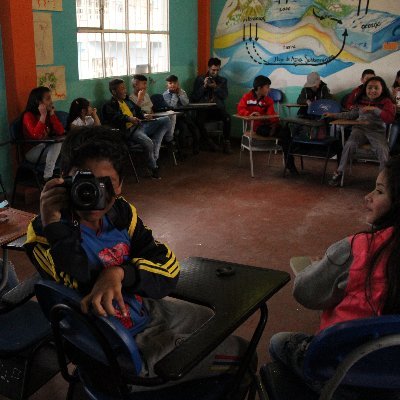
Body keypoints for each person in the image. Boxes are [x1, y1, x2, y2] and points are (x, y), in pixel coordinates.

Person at [24, 126, 249, 390]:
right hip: (118, 348)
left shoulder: (122, 214)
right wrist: (55, 226)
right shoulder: (43, 234)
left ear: (120, 184)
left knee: (212, 322)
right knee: (243, 352)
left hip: (144, 311)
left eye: (106, 184)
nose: (95, 197)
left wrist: (120, 273)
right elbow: (77, 281)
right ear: (64, 179)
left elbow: (167, 266)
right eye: (85, 182)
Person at [269, 156, 400, 397]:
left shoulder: (356, 248)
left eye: (379, 191)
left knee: (278, 341)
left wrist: (321, 266)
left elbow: (306, 293)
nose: (368, 196)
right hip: (392, 378)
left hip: (343, 370)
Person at [326, 76, 396, 186]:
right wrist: (333, 114)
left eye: (376, 88)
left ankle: (383, 180)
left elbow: (389, 118)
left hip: (376, 131)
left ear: (382, 89)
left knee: (383, 150)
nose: (372, 90)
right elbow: (351, 114)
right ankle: (339, 172)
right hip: (360, 129)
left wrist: (375, 109)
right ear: (365, 88)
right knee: (349, 144)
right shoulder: (361, 100)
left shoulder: (386, 101)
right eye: (369, 87)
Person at [102, 78, 163, 179]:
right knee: (148, 143)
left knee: (165, 121)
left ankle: (155, 145)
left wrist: (144, 115)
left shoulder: (127, 101)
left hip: (140, 125)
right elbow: (115, 117)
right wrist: (129, 118)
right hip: (130, 131)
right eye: (122, 88)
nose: (125, 90)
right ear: (114, 91)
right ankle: (153, 167)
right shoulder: (109, 105)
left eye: (125, 87)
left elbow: (137, 110)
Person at [237, 75, 297, 173]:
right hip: (257, 128)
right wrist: (249, 114)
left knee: (286, 131)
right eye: (267, 87)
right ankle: (290, 161)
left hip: (269, 126)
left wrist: (274, 125)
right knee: (285, 137)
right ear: (259, 88)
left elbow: (272, 114)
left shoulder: (268, 100)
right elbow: (240, 109)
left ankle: (290, 164)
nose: (269, 90)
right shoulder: (246, 97)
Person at [22, 86, 65, 181]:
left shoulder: (49, 114)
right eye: (48, 98)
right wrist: (43, 115)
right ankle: (48, 177)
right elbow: (36, 135)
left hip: (46, 149)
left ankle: (63, 175)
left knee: (65, 143)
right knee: (57, 143)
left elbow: (60, 131)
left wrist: (52, 114)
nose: (51, 102)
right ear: (39, 102)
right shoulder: (28, 116)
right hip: (32, 153)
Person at [192, 57, 232, 154]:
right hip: (204, 109)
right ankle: (209, 142)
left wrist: (216, 87)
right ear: (208, 68)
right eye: (213, 70)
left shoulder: (222, 80)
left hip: (217, 109)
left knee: (227, 118)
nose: (215, 72)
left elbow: (224, 96)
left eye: (217, 70)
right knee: (198, 121)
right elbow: (194, 97)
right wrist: (204, 86)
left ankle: (226, 143)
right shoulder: (200, 79)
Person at [129, 74, 175, 147]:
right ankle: (167, 140)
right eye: (143, 84)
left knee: (172, 114)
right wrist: (140, 98)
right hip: (143, 121)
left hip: (152, 117)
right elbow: (135, 113)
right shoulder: (131, 98)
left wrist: (154, 117)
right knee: (165, 121)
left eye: (146, 83)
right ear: (136, 84)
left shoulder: (146, 95)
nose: (145, 86)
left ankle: (168, 138)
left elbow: (151, 109)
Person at [163, 74, 200, 155]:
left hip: (184, 115)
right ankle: (181, 151)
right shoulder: (165, 95)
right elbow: (172, 106)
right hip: (175, 117)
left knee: (194, 127)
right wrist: (174, 95)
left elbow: (186, 103)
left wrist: (179, 93)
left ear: (178, 84)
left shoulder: (182, 91)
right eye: (170, 83)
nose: (172, 85)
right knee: (183, 128)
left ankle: (196, 147)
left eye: (174, 83)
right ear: (167, 85)